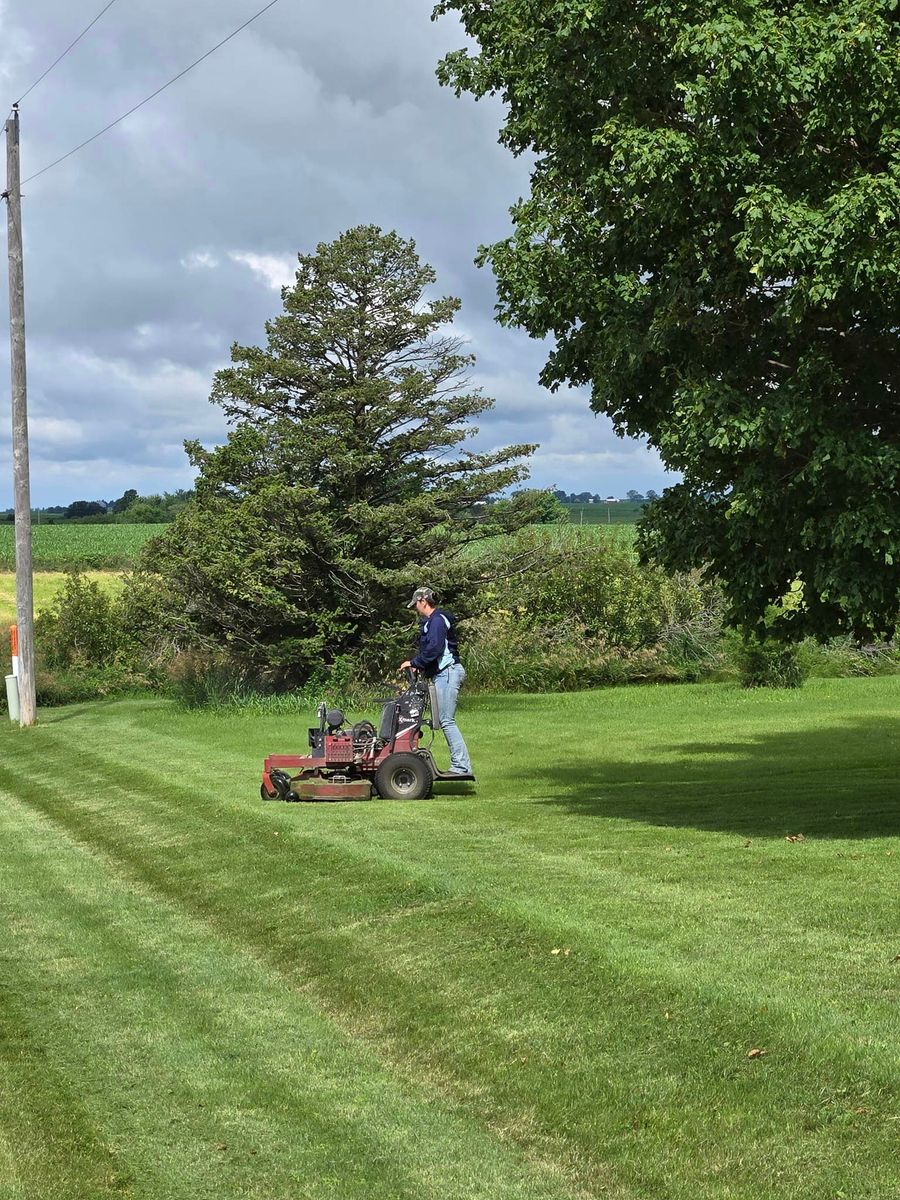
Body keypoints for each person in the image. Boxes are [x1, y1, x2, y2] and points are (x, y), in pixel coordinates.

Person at [399, 586, 473, 777]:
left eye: (416, 604)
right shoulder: (433, 621)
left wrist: (415, 662)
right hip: (443, 674)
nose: (416, 608)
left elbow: (434, 649)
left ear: (423, 601)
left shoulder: (437, 621)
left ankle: (462, 767)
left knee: (447, 720)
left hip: (447, 673)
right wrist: (418, 665)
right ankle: (460, 765)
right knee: (443, 720)